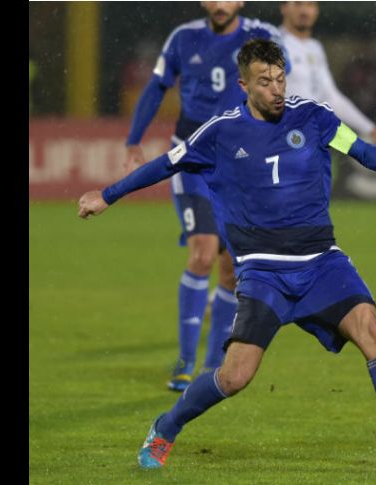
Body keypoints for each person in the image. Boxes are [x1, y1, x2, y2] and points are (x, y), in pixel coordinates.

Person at [80, 39, 376, 471]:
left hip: (322, 262)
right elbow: (166, 164)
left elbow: (356, 147)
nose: (277, 89)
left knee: (373, 332)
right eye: (265, 82)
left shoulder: (313, 117)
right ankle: (165, 428)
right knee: (234, 376)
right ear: (244, 84)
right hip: (263, 272)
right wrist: (108, 195)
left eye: (281, 79)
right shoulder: (221, 131)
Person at [124, 1, 289, 392]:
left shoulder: (263, 38)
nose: (220, 4)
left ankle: (214, 362)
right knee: (202, 252)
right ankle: (184, 361)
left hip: (240, 162)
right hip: (193, 158)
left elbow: (280, 91)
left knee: (231, 265)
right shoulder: (183, 38)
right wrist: (133, 140)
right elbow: (157, 87)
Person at [279, 1, 376, 145]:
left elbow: (331, 97)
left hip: (310, 140)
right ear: (283, 8)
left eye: (310, 5)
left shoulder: (315, 48)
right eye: (297, 3)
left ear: (317, 10)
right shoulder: (273, 43)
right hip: (281, 139)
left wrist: (370, 129)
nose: (304, 11)